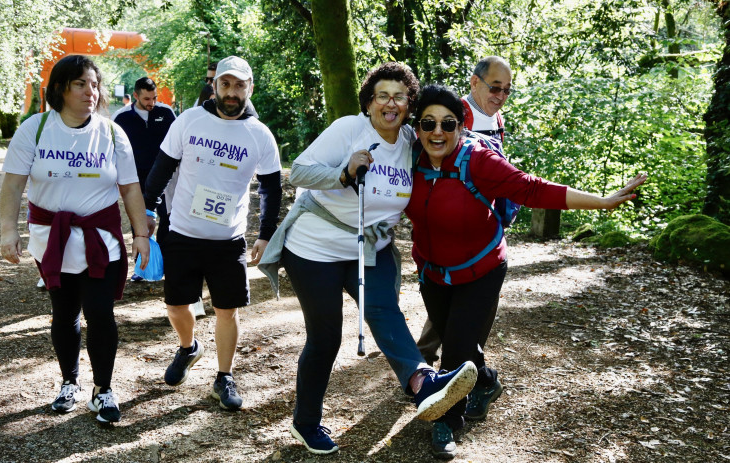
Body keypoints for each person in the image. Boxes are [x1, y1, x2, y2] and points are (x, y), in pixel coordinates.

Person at [406, 83, 647, 458]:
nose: (438, 132)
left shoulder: (478, 160)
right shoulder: (409, 159)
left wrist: (599, 202)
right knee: (461, 340)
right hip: (433, 273)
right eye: (428, 123)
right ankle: (485, 382)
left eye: (448, 123)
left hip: (481, 270)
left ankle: (447, 422)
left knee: (455, 350)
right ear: (417, 126)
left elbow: (532, 189)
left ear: (461, 127)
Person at [258, 62, 479, 456]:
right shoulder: (349, 129)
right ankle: (305, 422)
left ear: (409, 103)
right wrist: (343, 173)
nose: (390, 104)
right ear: (369, 101)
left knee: (383, 309)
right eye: (382, 96)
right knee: (326, 337)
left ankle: (422, 383)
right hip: (315, 248)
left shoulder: (413, 139)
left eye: (398, 96)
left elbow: (452, 141)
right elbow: (300, 173)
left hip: (370, 248)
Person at [0, 55, 151, 423]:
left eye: (94, 84)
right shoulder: (35, 129)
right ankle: (69, 382)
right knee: (64, 312)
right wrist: (8, 229)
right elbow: (14, 184)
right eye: (81, 83)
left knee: (100, 312)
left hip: (101, 239)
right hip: (52, 239)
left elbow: (130, 188)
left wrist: (141, 233)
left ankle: (103, 390)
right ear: (60, 88)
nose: (90, 91)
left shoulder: (113, 133)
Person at [142, 56, 282, 412]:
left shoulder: (259, 135)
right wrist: (145, 211)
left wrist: (265, 234)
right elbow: (161, 170)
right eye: (225, 84)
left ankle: (224, 376)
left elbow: (271, 189)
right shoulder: (189, 121)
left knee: (227, 310)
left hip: (227, 240)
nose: (231, 92)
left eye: (239, 85)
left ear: (250, 88)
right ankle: (188, 347)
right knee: (175, 306)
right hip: (182, 234)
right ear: (215, 85)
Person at [417, 55, 514, 366]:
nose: (500, 97)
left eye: (507, 91)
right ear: (475, 82)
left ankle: (456, 365)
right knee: (450, 296)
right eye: (495, 88)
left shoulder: (497, 120)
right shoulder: (453, 116)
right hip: (450, 224)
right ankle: (440, 363)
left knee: (472, 303)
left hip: (488, 220)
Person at [112, 77, 176, 279]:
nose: (152, 103)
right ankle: (141, 267)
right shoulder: (121, 118)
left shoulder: (166, 113)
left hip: (165, 177)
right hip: (135, 178)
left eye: (154, 98)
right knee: (140, 223)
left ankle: (167, 263)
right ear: (136, 96)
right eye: (147, 98)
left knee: (168, 218)